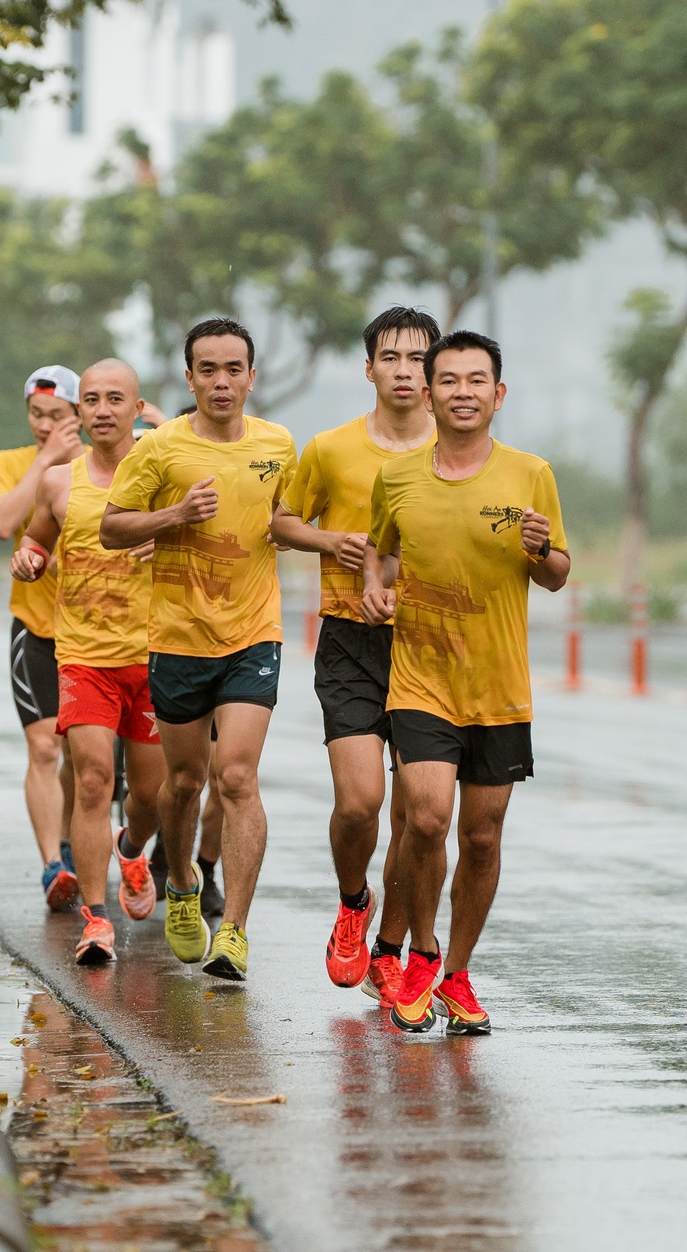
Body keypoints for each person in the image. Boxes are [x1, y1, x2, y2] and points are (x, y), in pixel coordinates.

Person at [363, 329, 570, 1035]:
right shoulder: (396, 478)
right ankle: (419, 950)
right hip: (419, 679)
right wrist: (373, 588)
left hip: (499, 685)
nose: (461, 391)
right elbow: (379, 550)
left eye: (475, 380)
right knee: (425, 816)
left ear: (498, 393)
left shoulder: (530, 473)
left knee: (481, 837)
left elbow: (557, 573)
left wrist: (542, 551)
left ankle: (455, 971)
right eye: (447, 379)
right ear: (428, 392)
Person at [101, 319, 298, 982]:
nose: (221, 381)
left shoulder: (278, 445)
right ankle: (181, 880)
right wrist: (174, 516)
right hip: (179, 640)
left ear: (251, 374)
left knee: (236, 777)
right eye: (207, 370)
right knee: (182, 784)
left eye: (233, 368)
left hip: (254, 634)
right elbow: (111, 527)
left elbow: (293, 518)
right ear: (189, 378)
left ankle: (235, 931)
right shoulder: (159, 449)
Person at [272, 305, 439, 1003]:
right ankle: (351, 901)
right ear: (367, 367)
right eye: (391, 358)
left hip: (431, 644)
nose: (405, 372)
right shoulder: (332, 448)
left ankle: (390, 951)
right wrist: (328, 543)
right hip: (348, 638)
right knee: (361, 802)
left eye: (417, 359)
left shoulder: (454, 453)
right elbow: (281, 521)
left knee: (418, 814)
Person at [11, 360, 166, 965]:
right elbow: (33, 541)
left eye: (115, 399)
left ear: (136, 408)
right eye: (92, 400)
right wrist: (29, 560)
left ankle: (133, 847)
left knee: (151, 795)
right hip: (84, 659)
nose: (102, 410)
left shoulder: (162, 478)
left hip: (153, 658)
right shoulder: (59, 482)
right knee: (95, 778)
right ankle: (96, 920)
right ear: (80, 413)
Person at [0, 365, 85, 912]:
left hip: (95, 632)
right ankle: (53, 863)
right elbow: (4, 523)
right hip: (36, 631)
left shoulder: (102, 466)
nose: (45, 425)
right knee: (44, 745)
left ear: (78, 414)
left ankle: (77, 843)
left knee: (83, 755)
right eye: (36, 414)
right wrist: (45, 461)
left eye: (56, 415)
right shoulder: (10, 463)